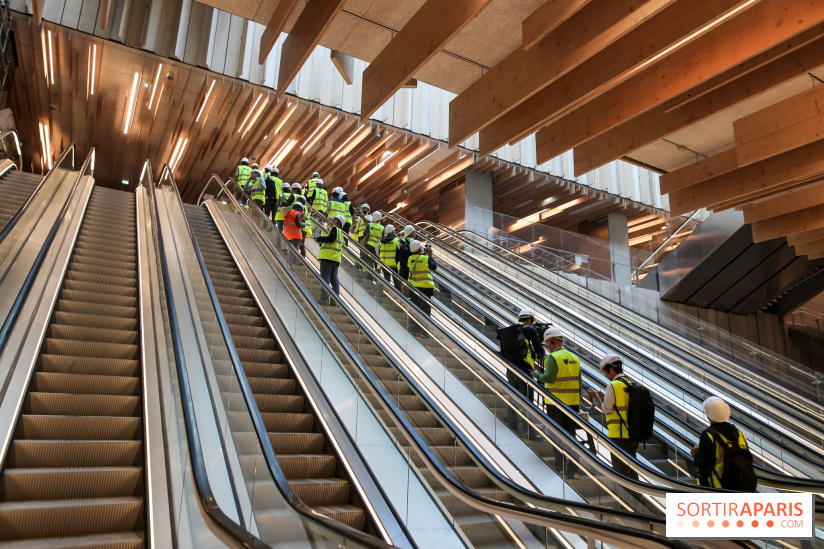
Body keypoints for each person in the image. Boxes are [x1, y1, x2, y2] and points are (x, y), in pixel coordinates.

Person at [533, 327, 581, 477]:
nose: (547, 348)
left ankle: (560, 466)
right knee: (571, 436)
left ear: (553, 342)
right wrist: (578, 403)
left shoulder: (553, 358)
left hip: (555, 404)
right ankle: (573, 469)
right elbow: (579, 384)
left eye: (548, 344)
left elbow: (548, 378)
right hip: (573, 404)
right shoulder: (574, 358)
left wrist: (537, 374)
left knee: (556, 436)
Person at [588, 354, 639, 481]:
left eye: (605, 372)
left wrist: (597, 397)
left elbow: (606, 410)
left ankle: (626, 494)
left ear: (611, 369)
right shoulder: (630, 382)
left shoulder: (613, 385)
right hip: (633, 434)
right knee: (633, 472)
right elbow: (621, 403)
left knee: (621, 473)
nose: (606, 375)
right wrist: (604, 396)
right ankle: (637, 493)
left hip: (619, 435)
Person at [691, 397, 756, 491]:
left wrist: (696, 455)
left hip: (718, 487)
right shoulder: (739, 434)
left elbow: (705, 465)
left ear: (708, 416)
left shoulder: (709, 436)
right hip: (740, 485)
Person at [499, 308, 544, 432]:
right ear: (529, 320)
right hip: (524, 369)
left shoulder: (511, 330)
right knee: (527, 401)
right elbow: (539, 350)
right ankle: (528, 430)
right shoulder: (529, 329)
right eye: (532, 322)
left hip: (511, 369)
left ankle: (513, 427)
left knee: (513, 398)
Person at [315, 214, 345, 302]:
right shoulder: (341, 234)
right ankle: (335, 301)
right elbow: (334, 243)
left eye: (334, 220)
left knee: (325, 279)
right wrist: (322, 243)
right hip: (335, 259)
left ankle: (324, 299)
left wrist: (320, 238)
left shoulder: (334, 229)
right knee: (334, 279)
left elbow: (331, 238)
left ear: (338, 223)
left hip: (328, 258)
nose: (331, 221)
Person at [407, 240, 437, 316]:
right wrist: (430, 256)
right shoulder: (426, 258)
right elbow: (434, 267)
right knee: (425, 310)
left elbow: (417, 260)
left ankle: (414, 322)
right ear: (419, 248)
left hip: (413, 286)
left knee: (414, 308)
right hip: (425, 287)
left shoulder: (410, 258)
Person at [377, 224, 401, 289]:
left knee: (386, 280)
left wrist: (381, 256)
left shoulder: (381, 241)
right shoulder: (397, 240)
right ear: (393, 232)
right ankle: (397, 294)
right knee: (396, 282)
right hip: (395, 264)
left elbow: (377, 251)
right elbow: (400, 252)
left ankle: (385, 291)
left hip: (384, 263)